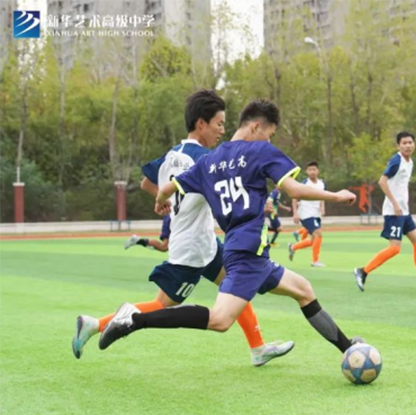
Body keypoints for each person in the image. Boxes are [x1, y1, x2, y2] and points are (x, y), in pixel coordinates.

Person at [99, 99, 365, 359]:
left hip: (248, 253)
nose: (269, 142)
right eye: (270, 135)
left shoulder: (209, 161)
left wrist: (160, 201)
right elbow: (294, 190)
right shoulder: (260, 152)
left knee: (303, 290)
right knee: (220, 320)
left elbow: (168, 187)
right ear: (256, 127)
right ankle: (135, 320)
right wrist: (336, 196)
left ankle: (348, 347)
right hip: (247, 254)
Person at [73, 90, 290, 366]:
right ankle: (96, 324)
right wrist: (259, 205)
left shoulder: (171, 155)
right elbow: (228, 192)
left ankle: (258, 348)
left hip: (204, 244)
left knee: (235, 286)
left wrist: (163, 200)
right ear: (201, 123)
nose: (222, 130)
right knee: (163, 305)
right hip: (192, 248)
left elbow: (146, 183)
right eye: (219, 123)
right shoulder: (207, 158)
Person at [353, 131, 416, 291]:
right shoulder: (397, 161)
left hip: (404, 212)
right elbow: (382, 181)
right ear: (398, 146)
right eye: (404, 143)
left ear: (414, 144)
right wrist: (395, 204)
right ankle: (363, 271)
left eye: (410, 142)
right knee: (395, 248)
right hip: (394, 212)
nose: (408, 145)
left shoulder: (410, 162)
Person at [288, 162, 326, 267]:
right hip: (306, 214)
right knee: (318, 234)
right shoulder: (304, 184)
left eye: (314, 169)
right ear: (306, 171)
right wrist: (295, 213)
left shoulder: (321, 184)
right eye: (310, 170)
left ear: (318, 171)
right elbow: (294, 197)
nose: (312, 172)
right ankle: (315, 261)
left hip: (316, 214)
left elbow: (323, 196)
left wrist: (322, 207)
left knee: (313, 240)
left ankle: (293, 247)